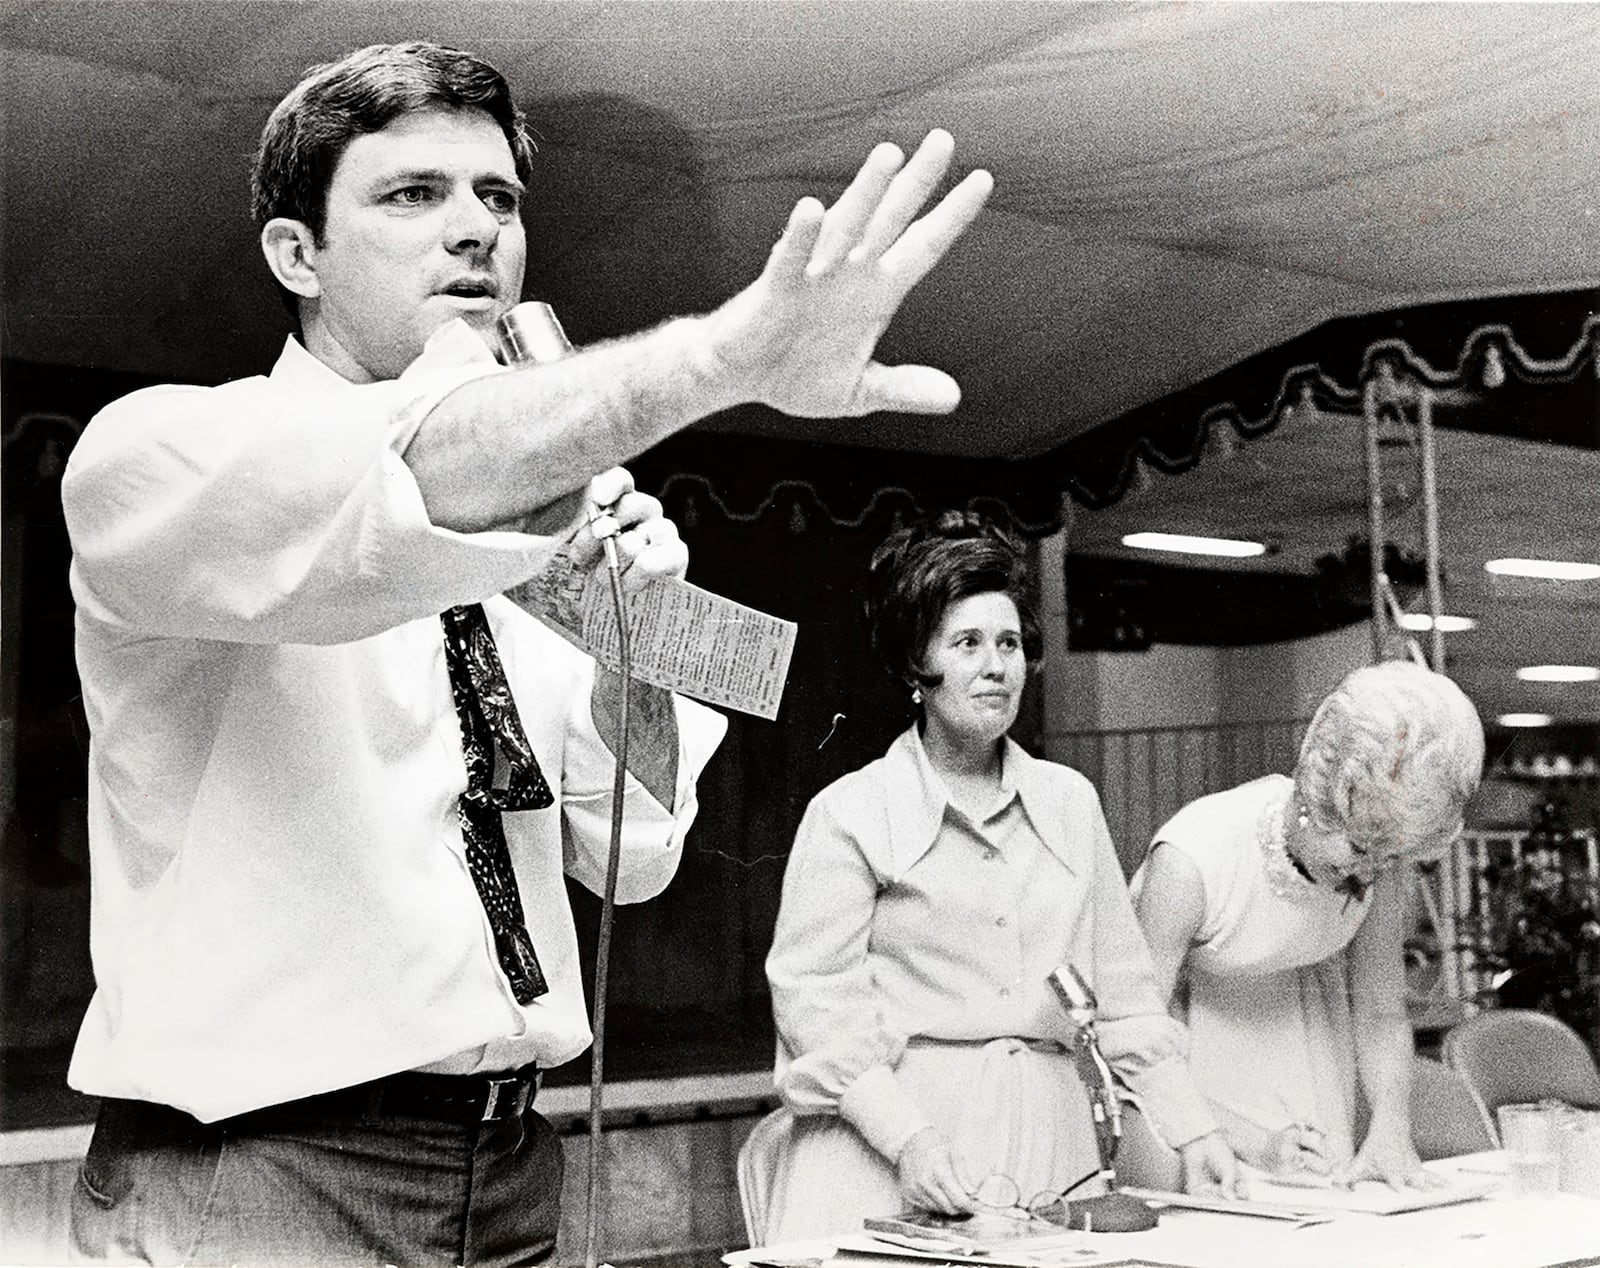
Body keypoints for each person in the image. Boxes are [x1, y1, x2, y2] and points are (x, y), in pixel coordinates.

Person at [60, 40, 994, 1267]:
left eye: (496, 198)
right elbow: (413, 472)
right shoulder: (164, 451)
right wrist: (721, 361)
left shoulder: (556, 512)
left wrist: (630, 647)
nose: (473, 232)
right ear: (297, 255)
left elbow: (635, 858)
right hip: (264, 1173)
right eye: (413, 195)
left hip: (508, 1161)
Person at [762, 513, 1236, 1239]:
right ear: (915, 668)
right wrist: (906, 1138)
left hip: (1051, 1151)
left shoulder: (1070, 803)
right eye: (968, 644)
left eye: (1009, 643)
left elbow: (1126, 997)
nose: (996, 666)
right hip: (894, 1150)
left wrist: (1192, 1129)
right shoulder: (850, 814)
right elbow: (814, 1007)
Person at [1132, 660, 1485, 1189]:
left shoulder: (1382, 854)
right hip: (1184, 1087)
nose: (1370, 872)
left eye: (1390, 857)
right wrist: (1252, 1142)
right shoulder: (1192, 860)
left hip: (1308, 1059)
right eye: (1361, 848)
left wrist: (1390, 1126)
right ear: (1314, 794)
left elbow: (1379, 1008)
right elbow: (1136, 1036)